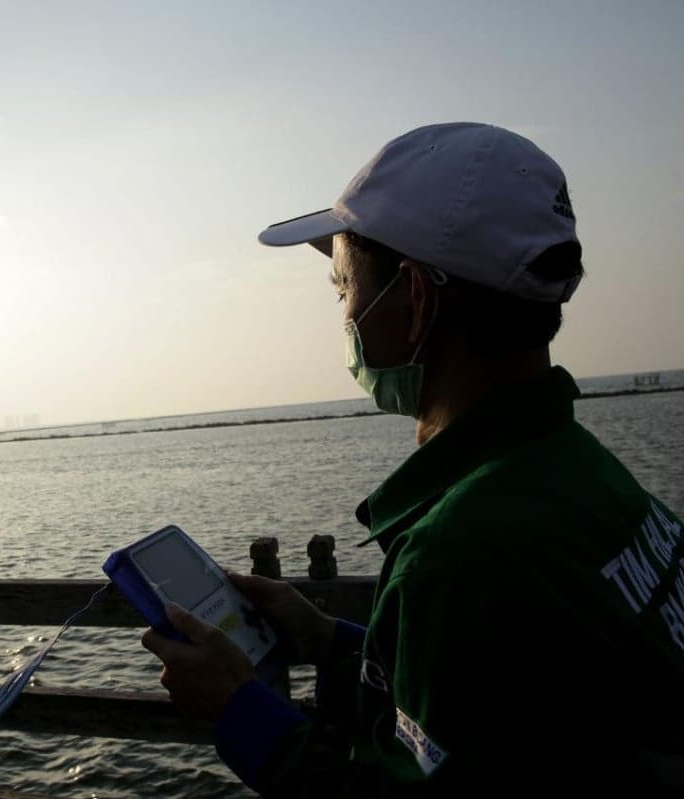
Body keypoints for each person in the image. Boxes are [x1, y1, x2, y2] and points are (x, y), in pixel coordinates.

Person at [141, 122, 684, 796]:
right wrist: (332, 640)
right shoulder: (578, 468)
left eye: (345, 290)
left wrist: (236, 708)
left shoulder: (460, 554)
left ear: (416, 299)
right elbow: (507, 704)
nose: (344, 315)